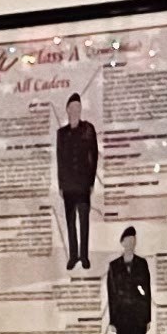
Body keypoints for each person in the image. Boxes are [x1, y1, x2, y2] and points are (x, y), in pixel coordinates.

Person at [107, 227, 154, 334]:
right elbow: (111, 293)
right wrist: (112, 320)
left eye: (133, 241)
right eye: (127, 241)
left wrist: (148, 317)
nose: (131, 244)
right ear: (122, 242)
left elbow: (147, 291)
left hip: (139, 317)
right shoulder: (114, 266)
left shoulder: (142, 263)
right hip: (121, 318)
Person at [55, 91, 99, 271]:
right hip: (68, 185)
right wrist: (60, 185)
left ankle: (84, 256)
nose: (76, 111)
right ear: (67, 110)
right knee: (70, 222)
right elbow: (60, 159)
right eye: (72, 108)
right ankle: (73, 256)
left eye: (78, 108)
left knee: (84, 221)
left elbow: (94, 156)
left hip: (83, 184)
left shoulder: (88, 129)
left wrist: (91, 182)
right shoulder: (61, 133)